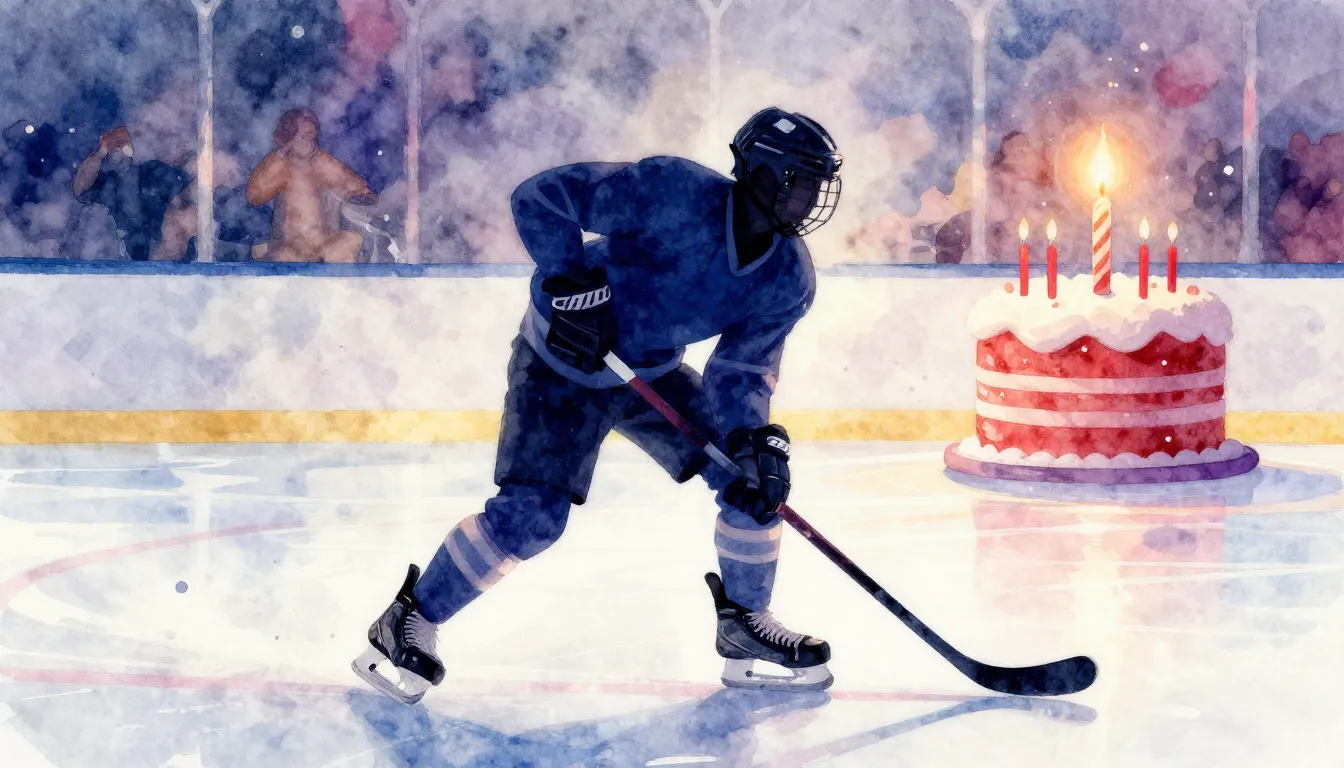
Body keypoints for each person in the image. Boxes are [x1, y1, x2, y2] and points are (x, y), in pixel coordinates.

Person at [353, 106, 844, 705]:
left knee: (754, 482)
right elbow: (543, 196)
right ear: (760, 173)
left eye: (818, 184)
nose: (812, 198)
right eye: (801, 181)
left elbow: (740, 370)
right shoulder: (675, 190)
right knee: (532, 518)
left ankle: (744, 622)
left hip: (649, 374)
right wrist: (568, 283)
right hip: (560, 366)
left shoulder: (788, 277)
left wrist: (750, 440)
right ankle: (408, 619)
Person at [245, 108, 376, 263]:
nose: (309, 141)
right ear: (289, 137)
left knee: (348, 243)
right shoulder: (280, 164)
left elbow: (357, 189)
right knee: (285, 258)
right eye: (303, 136)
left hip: (323, 247)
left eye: (312, 135)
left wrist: (363, 198)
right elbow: (254, 195)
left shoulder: (324, 163)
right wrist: (279, 156)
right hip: (288, 248)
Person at [72, 126, 192, 261]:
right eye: (113, 143)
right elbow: (80, 189)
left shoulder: (154, 172)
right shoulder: (108, 183)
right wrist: (101, 150)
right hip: (123, 261)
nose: (117, 146)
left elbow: (191, 186)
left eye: (122, 142)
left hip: (162, 261)